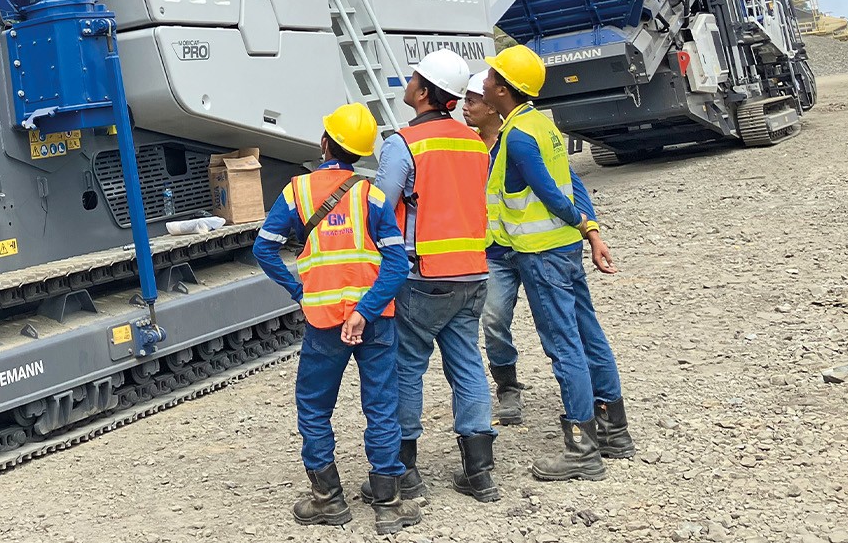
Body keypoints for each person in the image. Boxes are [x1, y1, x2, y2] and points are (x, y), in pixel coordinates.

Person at [253, 104, 422, 533]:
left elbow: (264, 248)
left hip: (323, 321)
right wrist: (364, 311)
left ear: (325, 143)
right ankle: (388, 504)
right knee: (381, 406)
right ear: (360, 153)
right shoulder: (372, 196)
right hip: (375, 321)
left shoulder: (297, 192)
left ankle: (328, 500)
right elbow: (397, 264)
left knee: (314, 407)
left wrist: (300, 292)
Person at [480, 45, 635, 481]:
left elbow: (552, 194)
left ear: (504, 90)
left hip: (542, 255)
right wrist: (587, 232)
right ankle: (614, 431)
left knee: (564, 347)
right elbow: (568, 181)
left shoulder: (517, 136)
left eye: (491, 77)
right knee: (588, 335)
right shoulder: (540, 125)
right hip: (563, 250)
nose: (485, 82)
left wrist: (583, 222)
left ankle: (582, 449)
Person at [369, 50, 500, 504]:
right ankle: (480, 473)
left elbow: (380, 208)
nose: (406, 83)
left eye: (412, 78)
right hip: (472, 272)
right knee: (467, 364)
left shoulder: (403, 143)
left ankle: (404, 471)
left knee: (406, 368)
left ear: (424, 92)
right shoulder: (474, 143)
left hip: (422, 275)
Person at [464, 71, 602, 429]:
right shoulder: (468, 147)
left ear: (493, 103)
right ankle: (507, 385)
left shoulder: (519, 137)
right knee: (495, 321)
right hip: (497, 251)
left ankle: (586, 414)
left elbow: (567, 184)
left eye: (473, 99)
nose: (465, 106)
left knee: (564, 335)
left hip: (535, 248)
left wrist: (590, 228)